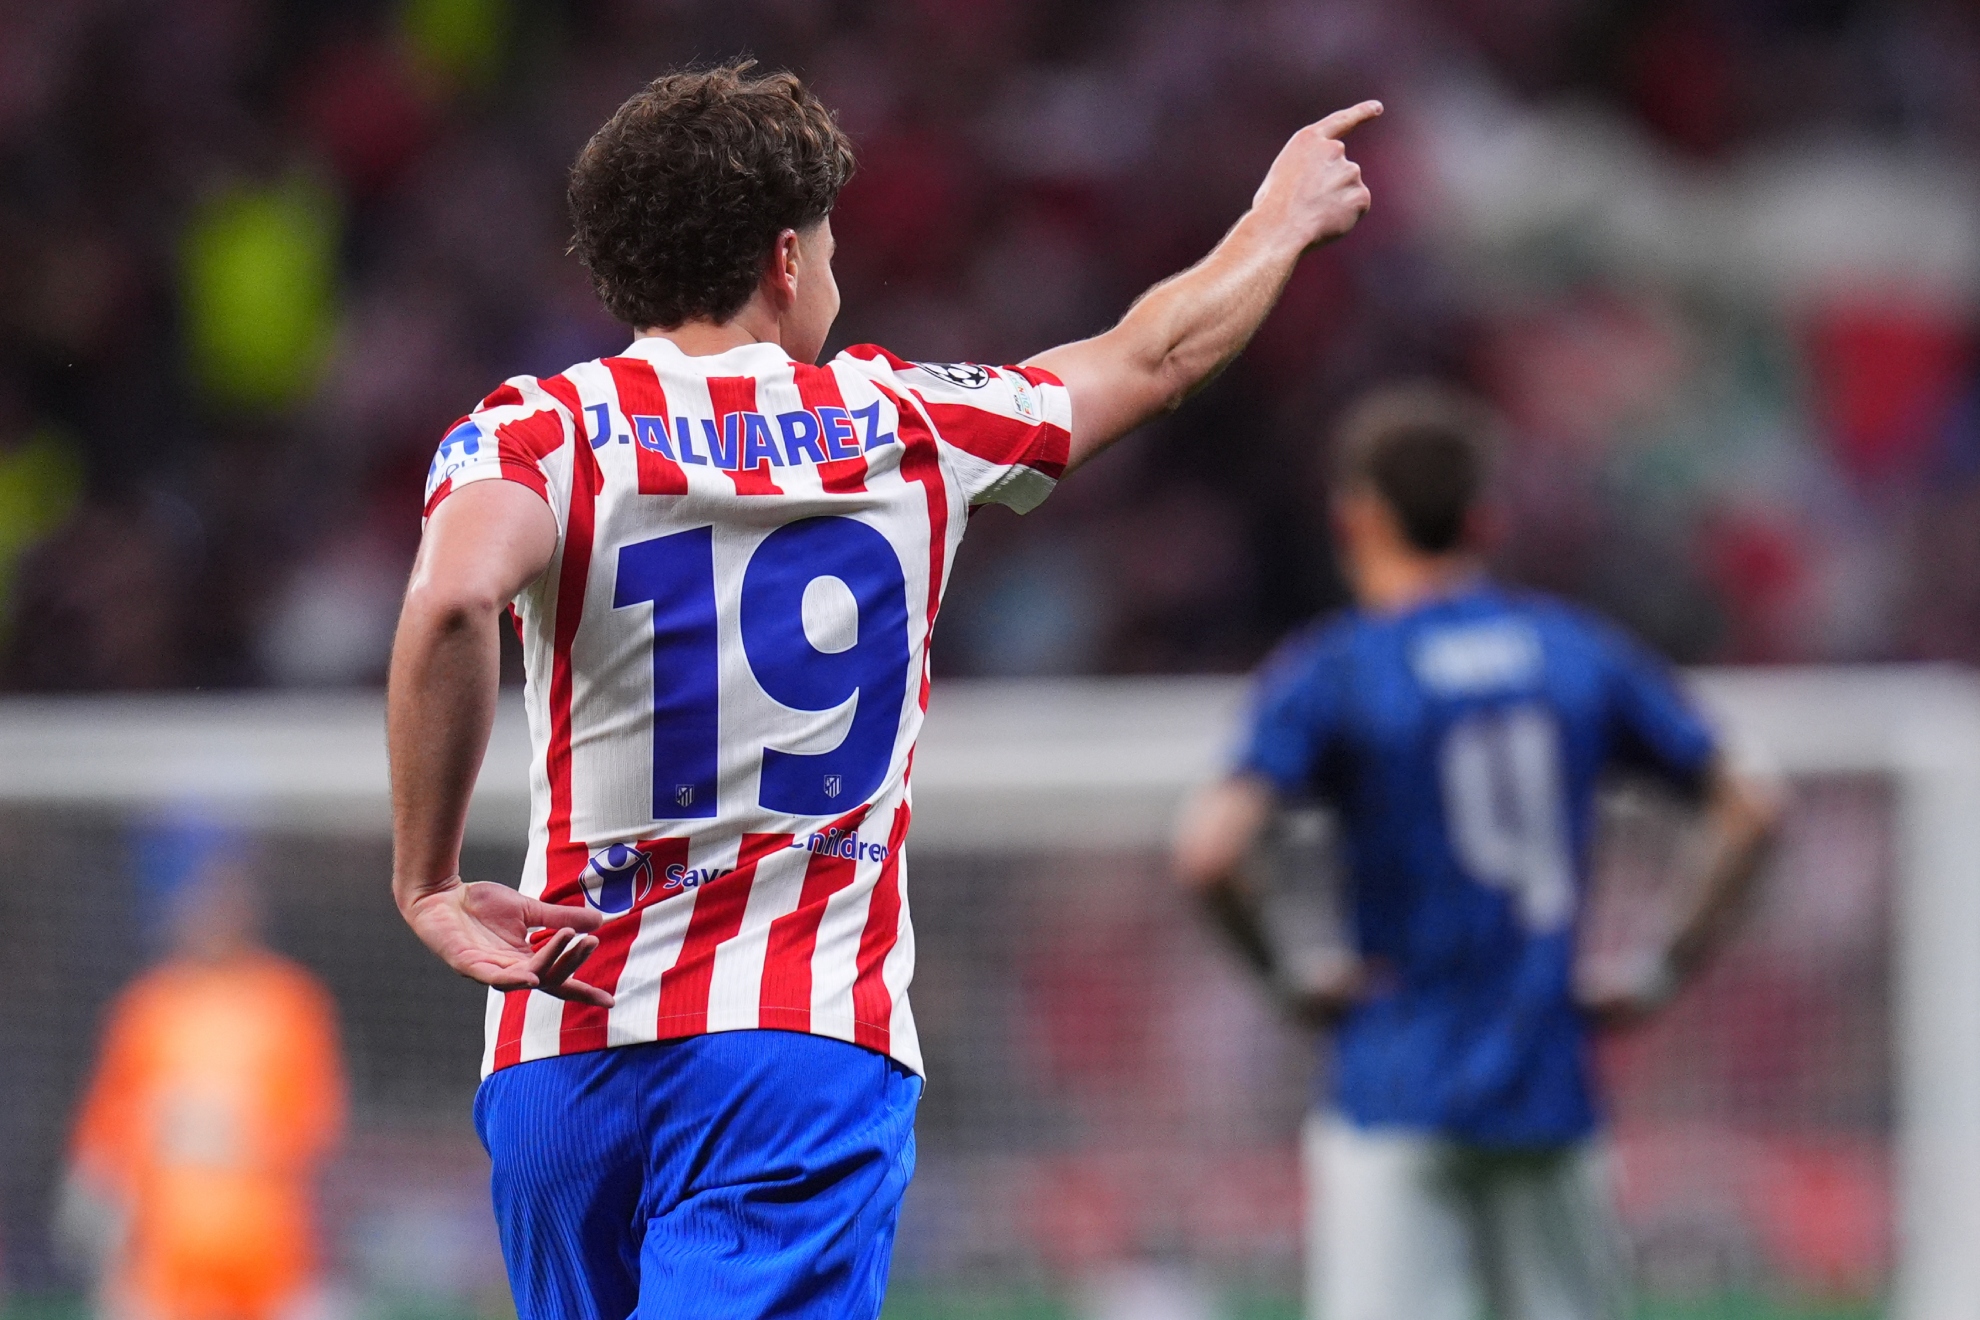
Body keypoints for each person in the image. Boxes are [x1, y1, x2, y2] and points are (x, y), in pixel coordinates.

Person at [385, 60, 1378, 1320]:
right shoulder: (906, 426)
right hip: (795, 1051)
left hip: (560, 1052)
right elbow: (1158, 355)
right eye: (830, 245)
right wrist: (1277, 222)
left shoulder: (538, 430)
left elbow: (453, 600)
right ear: (784, 261)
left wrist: (426, 879)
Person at [1172, 385, 1783, 1320]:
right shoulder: (1575, 651)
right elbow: (1753, 806)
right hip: (1548, 1082)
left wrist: (1288, 977)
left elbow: (1209, 852)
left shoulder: (1339, 667)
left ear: (1356, 520)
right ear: (1485, 522)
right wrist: (1660, 968)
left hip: (1394, 1082)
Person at [62, 862, 345, 1320]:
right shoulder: (148, 1006)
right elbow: (108, 1121)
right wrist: (97, 1200)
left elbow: (316, 1119)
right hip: (163, 1245)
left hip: (267, 1247)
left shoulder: (289, 1002)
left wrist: (242, 1134)